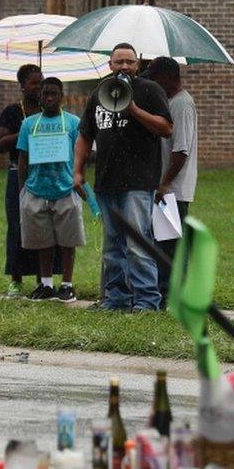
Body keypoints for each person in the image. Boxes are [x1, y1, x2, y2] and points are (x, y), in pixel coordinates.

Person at [73, 42, 173, 311]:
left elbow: (165, 128)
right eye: (119, 62)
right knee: (112, 246)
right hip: (107, 181)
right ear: (110, 65)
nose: (124, 67)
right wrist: (78, 170)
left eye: (129, 62)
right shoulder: (99, 92)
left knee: (138, 243)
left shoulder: (150, 91)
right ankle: (116, 298)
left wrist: (134, 110)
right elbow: (85, 134)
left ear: (138, 65)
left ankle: (146, 301)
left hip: (139, 182)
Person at [0, 64, 62, 298]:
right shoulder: (13, 112)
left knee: (46, 227)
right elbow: (0, 143)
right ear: (22, 86)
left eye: (41, 81)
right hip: (19, 174)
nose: (39, 86)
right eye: (34, 82)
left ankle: (43, 279)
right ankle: (16, 278)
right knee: (19, 225)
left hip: (46, 174)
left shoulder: (51, 113)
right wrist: (26, 129)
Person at [16, 77, 84, 302]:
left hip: (65, 188)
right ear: (40, 97)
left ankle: (67, 284)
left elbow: (81, 155)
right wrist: (23, 191)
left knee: (67, 240)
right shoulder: (29, 124)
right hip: (36, 189)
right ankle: (46, 284)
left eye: (54, 94)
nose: (50, 98)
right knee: (43, 241)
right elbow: (23, 159)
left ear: (62, 96)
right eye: (46, 94)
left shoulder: (73, 123)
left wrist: (78, 178)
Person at [143, 56, 199, 306]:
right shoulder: (170, 103)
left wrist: (164, 183)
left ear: (167, 76)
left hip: (173, 190)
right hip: (167, 188)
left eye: (154, 78)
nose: (152, 84)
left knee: (171, 248)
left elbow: (181, 151)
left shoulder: (181, 105)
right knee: (164, 244)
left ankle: (172, 297)